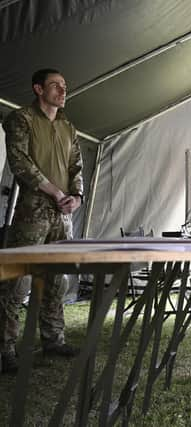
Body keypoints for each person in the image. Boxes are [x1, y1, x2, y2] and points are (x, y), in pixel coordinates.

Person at [0, 68, 83, 374]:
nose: (63, 90)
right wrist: (53, 190)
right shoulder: (20, 119)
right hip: (33, 211)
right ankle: (5, 349)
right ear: (38, 89)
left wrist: (76, 197)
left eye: (64, 85)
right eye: (55, 86)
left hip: (63, 213)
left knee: (57, 279)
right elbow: (19, 161)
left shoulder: (68, 127)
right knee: (17, 280)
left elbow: (77, 166)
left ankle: (53, 339)